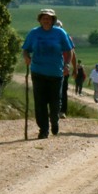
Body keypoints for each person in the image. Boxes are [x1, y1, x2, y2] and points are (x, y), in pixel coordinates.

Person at [22, 8, 74, 139]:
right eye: (44, 18)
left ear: (53, 20)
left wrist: (67, 64)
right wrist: (27, 57)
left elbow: (69, 51)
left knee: (55, 101)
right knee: (40, 102)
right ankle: (43, 129)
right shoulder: (34, 33)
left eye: (49, 18)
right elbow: (25, 49)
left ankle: (54, 121)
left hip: (56, 72)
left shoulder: (60, 33)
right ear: (40, 20)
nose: (46, 20)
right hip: (38, 71)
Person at [56, 20, 76, 119]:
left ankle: (62, 111)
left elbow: (73, 53)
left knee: (63, 90)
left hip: (64, 67)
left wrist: (74, 68)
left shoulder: (67, 38)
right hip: (52, 67)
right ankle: (54, 110)